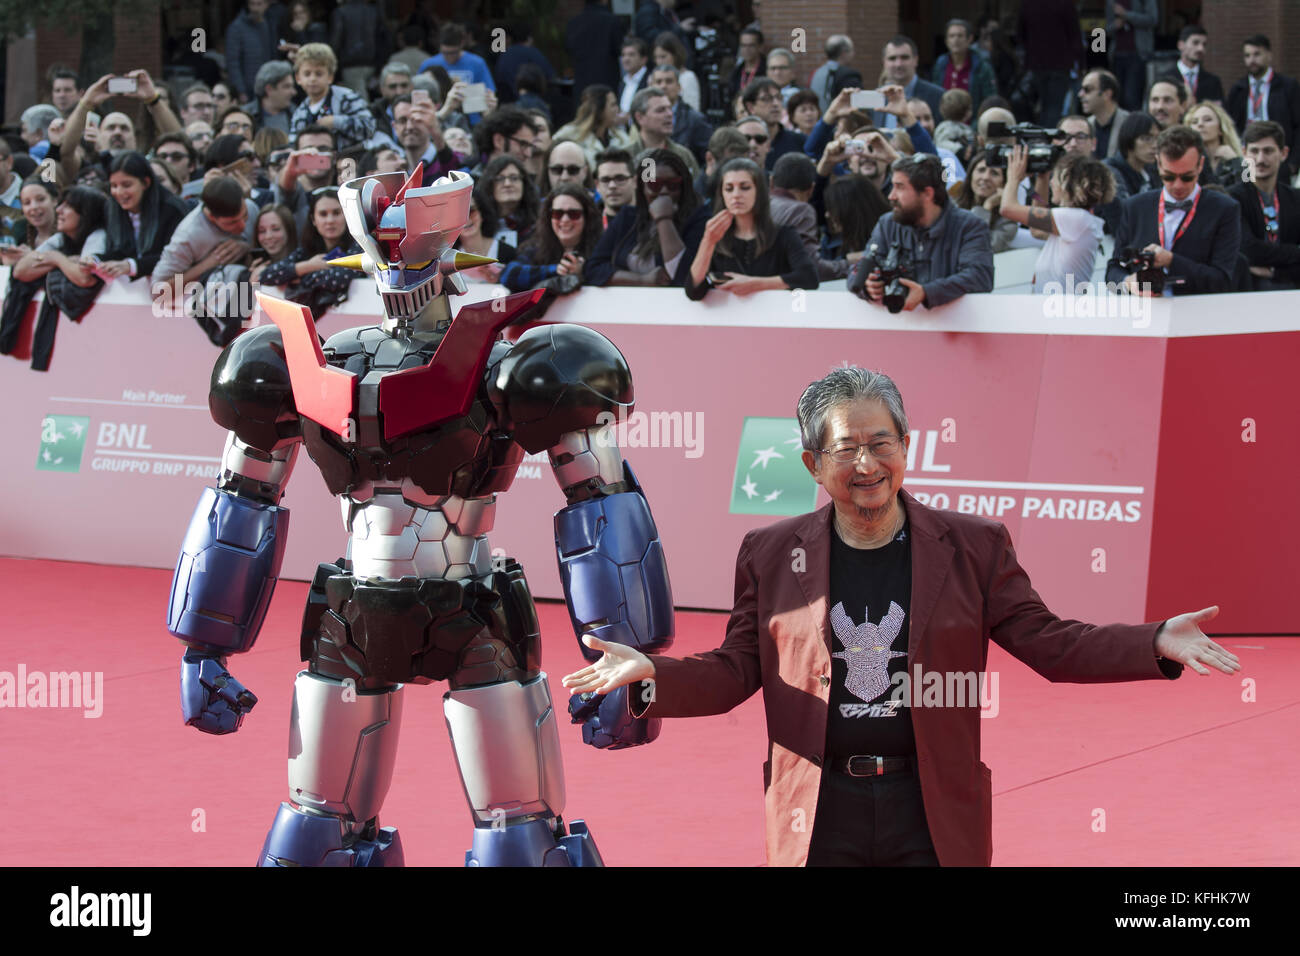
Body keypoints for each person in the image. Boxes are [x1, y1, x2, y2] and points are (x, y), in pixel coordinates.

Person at [560, 366, 1239, 867]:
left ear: (907, 447)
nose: (866, 463)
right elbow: (738, 669)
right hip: (820, 809)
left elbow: (1051, 643)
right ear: (811, 463)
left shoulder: (973, 547)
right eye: (845, 448)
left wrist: (1155, 641)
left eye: (881, 443)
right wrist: (652, 676)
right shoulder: (770, 553)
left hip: (932, 809)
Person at [1106, 125, 1242, 296]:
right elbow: (1113, 270)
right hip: (1145, 313)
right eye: (1168, 177)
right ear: (1158, 164)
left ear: (1200, 165)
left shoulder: (1224, 209)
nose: (1178, 185)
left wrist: (1171, 261)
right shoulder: (1135, 207)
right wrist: (1128, 283)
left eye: (1187, 177)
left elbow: (1222, 281)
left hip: (1199, 314)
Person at [850, 154, 994, 311]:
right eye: (893, 186)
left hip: (954, 329)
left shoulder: (970, 226)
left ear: (927, 193)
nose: (891, 196)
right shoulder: (888, 224)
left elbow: (980, 277)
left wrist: (927, 293)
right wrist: (868, 285)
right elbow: (857, 271)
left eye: (900, 187)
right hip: (897, 328)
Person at [5, 187, 109, 370]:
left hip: (93, 341)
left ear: (85, 214)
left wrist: (56, 259)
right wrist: (59, 259)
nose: (59, 211)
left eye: (67, 207)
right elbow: (21, 270)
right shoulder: (60, 238)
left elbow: (84, 278)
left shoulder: (98, 237)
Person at [685, 157, 818, 299]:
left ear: (759, 191)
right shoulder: (715, 237)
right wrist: (708, 241)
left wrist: (755, 284)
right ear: (722, 194)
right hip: (727, 318)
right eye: (729, 189)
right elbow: (694, 290)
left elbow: (809, 278)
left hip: (774, 317)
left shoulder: (784, 235)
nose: (736, 195)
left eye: (745, 187)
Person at [150, 176, 259, 333]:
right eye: (232, 223)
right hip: (208, 324)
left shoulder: (251, 207)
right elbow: (159, 292)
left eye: (245, 216)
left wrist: (246, 247)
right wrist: (208, 264)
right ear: (211, 217)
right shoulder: (188, 236)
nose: (242, 226)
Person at [998, 147, 1112, 293]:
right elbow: (1037, 230)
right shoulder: (1079, 221)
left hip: (1057, 310)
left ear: (1070, 184)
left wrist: (1014, 177)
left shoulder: (1075, 219)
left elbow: (1007, 208)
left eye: (1055, 177)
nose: (1052, 183)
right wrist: (1042, 178)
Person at [586, 147, 704, 287]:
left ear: (683, 186)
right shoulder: (627, 218)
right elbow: (592, 270)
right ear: (642, 187)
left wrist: (664, 220)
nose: (664, 191)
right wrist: (642, 280)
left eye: (672, 185)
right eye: (654, 185)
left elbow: (683, 276)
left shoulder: (699, 219)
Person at [258, 186, 361, 317]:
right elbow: (266, 276)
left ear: (346, 215)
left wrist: (300, 277)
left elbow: (342, 278)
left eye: (336, 213)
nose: (330, 220)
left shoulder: (359, 246)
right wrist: (308, 266)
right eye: (323, 214)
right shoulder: (306, 249)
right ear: (313, 220)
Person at [93, 151, 191, 283]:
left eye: (126, 185)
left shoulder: (172, 209)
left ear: (145, 182)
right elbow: (123, 250)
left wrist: (131, 266)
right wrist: (96, 260)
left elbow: (175, 257)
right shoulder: (113, 208)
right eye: (114, 186)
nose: (119, 192)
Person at [1229, 120, 1300, 289]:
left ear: (1283, 153)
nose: (1260, 159)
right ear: (1244, 153)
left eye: (1268, 151)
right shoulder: (1231, 197)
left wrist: (1275, 272)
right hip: (1247, 291)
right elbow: (1247, 249)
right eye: (1254, 151)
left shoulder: (1296, 198)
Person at [499, 183, 602, 292]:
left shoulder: (601, 248)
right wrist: (557, 269)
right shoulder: (535, 247)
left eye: (574, 214)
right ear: (549, 217)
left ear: (587, 217)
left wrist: (584, 272)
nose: (565, 219)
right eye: (557, 213)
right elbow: (508, 275)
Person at [1226, 34, 1300, 176]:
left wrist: (1294, 162)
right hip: (1247, 156)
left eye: (1257, 54)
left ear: (1269, 55)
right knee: (1248, 194)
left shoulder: (1288, 86)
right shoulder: (1239, 88)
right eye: (1247, 56)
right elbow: (1230, 125)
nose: (1251, 60)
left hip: (1278, 155)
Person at [288, 43, 378, 152]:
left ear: (330, 77)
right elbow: (294, 144)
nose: (312, 79)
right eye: (307, 74)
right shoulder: (299, 113)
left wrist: (337, 121)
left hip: (351, 160)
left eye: (319, 74)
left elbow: (369, 127)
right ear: (298, 78)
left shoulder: (347, 98)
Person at [1018, 0, 1083, 127]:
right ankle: (1048, 138)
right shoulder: (1066, 4)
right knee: (1055, 106)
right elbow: (1075, 35)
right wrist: (1081, 63)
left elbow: (1020, 34)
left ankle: (1042, 136)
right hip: (1060, 63)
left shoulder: (1028, 4)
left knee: (1044, 105)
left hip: (1037, 63)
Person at [624, 87, 699, 178]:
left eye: (669, 109)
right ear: (640, 117)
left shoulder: (684, 155)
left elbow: (695, 189)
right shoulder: (625, 157)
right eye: (660, 110)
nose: (669, 114)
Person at [872, 36, 943, 128]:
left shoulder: (937, 96)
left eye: (904, 58)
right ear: (884, 62)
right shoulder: (876, 97)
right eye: (892, 58)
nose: (899, 64)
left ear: (916, 60)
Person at [651, 65, 712, 165]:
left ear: (679, 87)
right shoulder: (644, 117)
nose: (663, 86)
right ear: (651, 87)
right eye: (658, 82)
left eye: (669, 81)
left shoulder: (695, 119)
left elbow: (708, 161)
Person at [955, 154, 1017, 253]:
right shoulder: (953, 206)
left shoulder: (1008, 220)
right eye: (981, 170)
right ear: (970, 174)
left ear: (1004, 183)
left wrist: (987, 207)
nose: (985, 177)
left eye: (994, 173)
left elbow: (976, 245)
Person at [476, 154, 539, 247]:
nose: (507, 184)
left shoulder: (537, 222)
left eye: (514, 178)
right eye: (500, 179)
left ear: (524, 183)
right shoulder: (479, 224)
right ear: (489, 185)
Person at [932, 19, 997, 108]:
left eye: (960, 36)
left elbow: (990, 101)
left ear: (970, 39)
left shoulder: (982, 67)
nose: (956, 40)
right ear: (946, 41)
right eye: (952, 36)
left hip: (972, 120)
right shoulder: (940, 65)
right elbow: (934, 96)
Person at [741, 78, 804, 170]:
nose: (776, 104)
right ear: (750, 107)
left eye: (779, 98)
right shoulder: (739, 142)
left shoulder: (799, 140)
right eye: (766, 99)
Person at [1105, 0, 1157, 112]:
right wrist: (1115, 25)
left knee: (1132, 97)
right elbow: (1106, 28)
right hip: (1117, 55)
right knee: (1116, 97)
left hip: (1137, 54)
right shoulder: (1111, 2)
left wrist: (1126, 14)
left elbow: (1152, 20)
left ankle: (1134, 127)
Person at [330, 0, 390, 96]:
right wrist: (381, 63)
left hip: (351, 65)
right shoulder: (374, 11)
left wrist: (334, 69)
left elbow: (336, 41)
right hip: (372, 64)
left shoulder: (341, 12)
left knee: (359, 101)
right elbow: (384, 38)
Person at [453, 191, 515, 283]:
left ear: (482, 213)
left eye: (471, 211)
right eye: (458, 215)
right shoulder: (446, 259)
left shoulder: (508, 252)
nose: (466, 219)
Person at [565, 0, 624, 95]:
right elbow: (620, 50)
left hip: (582, 83)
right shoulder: (612, 21)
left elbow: (569, 49)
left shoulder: (573, 23)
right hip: (607, 82)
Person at [225, 0, 278, 104]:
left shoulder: (270, 24)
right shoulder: (236, 28)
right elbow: (232, 62)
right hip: (248, 87)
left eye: (259, 4)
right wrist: (240, 90)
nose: (255, 8)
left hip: (268, 85)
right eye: (252, 4)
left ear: (267, 5)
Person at [1105, 111, 1161, 202]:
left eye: (1157, 138)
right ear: (1129, 138)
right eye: (1147, 138)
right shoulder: (1110, 170)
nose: (1155, 145)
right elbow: (1123, 209)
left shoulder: (1152, 169)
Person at [494, 22, 556, 103]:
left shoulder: (504, 55)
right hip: (530, 103)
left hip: (507, 103)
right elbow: (550, 75)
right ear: (529, 38)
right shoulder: (533, 53)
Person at [1186, 102, 1245, 186]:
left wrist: (1235, 161)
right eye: (1195, 122)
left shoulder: (1234, 158)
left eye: (1207, 120)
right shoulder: (1187, 160)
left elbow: (1247, 189)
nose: (1200, 124)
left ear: (1221, 128)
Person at [1169, 25, 1224, 107]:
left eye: (1204, 44)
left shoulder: (1213, 82)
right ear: (1180, 45)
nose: (1200, 49)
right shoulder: (1167, 78)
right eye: (1195, 43)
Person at [1080, 69, 1128, 160]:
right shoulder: (1085, 125)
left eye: (1087, 90)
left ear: (1107, 94)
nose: (1081, 94)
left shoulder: (1129, 124)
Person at [248, 203, 297, 285]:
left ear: (289, 230)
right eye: (262, 231)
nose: (268, 236)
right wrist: (249, 282)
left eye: (275, 229)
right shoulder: (249, 267)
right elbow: (243, 297)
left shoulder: (303, 263)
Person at [245, 60, 295, 135]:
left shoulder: (296, 113)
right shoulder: (246, 115)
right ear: (269, 89)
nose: (293, 92)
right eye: (286, 87)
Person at [652, 32, 700, 112]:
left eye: (663, 56)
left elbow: (692, 109)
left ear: (675, 55)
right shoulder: (653, 77)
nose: (659, 61)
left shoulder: (688, 77)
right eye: (656, 57)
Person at [809, 35, 854, 112]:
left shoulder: (816, 72)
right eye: (851, 50)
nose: (853, 54)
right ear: (843, 53)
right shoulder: (847, 74)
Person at [617, 37, 651, 121]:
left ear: (643, 59)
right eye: (623, 55)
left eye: (631, 55)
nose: (626, 59)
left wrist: (628, 119)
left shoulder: (651, 80)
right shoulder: (623, 82)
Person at [729, 28, 766, 104]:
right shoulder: (736, 72)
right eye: (743, 45)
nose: (747, 49)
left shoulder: (767, 70)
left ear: (760, 47)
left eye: (751, 45)